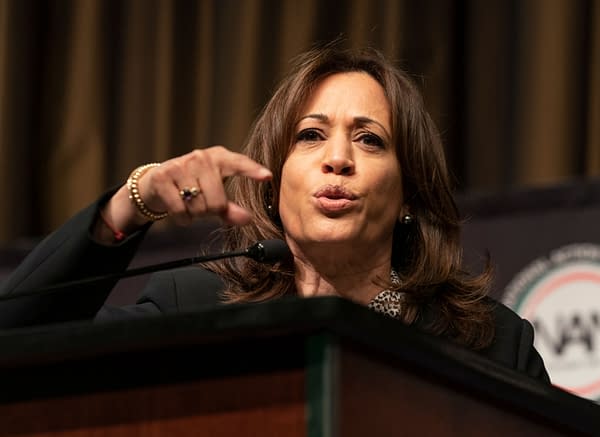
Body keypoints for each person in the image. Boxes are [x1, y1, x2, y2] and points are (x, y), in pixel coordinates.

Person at [0, 44, 549, 382]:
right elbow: (16, 348)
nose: (338, 159)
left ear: (409, 192)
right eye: (309, 136)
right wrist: (129, 204)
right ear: (274, 182)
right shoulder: (193, 309)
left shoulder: (494, 344)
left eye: (370, 140)